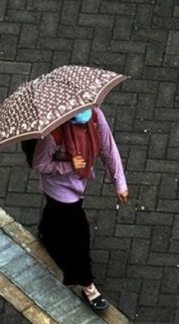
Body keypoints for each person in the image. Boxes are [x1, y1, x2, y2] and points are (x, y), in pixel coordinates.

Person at [31, 106, 129, 312]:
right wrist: (70, 165)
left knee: (55, 214)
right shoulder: (52, 135)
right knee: (79, 236)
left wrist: (120, 183)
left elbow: (108, 148)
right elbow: (41, 165)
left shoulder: (95, 117)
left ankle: (46, 231)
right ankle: (87, 285)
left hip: (78, 184)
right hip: (60, 189)